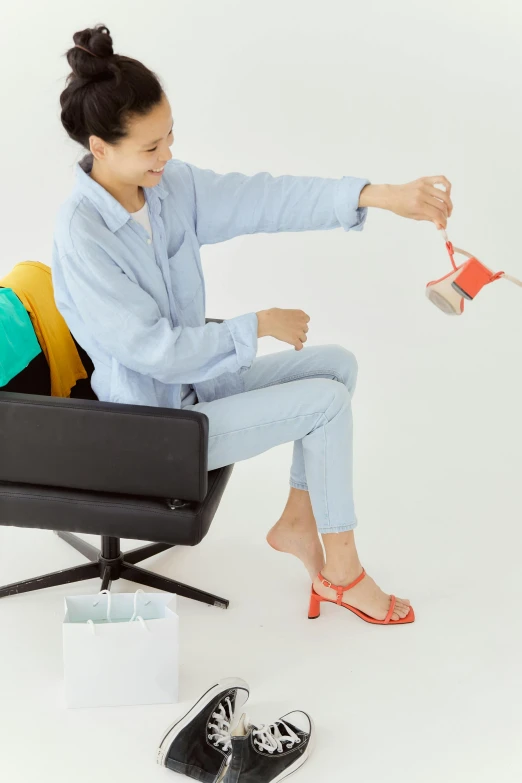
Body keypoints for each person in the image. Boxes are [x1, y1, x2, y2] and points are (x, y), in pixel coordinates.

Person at [53, 24, 453, 626]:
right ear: (100, 147)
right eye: (150, 147)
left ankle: (297, 522)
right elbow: (154, 351)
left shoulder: (166, 188)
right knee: (324, 404)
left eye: (170, 140)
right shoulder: (82, 235)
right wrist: (255, 324)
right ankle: (342, 573)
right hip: (153, 430)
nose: (167, 157)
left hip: (194, 391)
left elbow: (265, 198)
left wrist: (379, 195)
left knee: (337, 365)